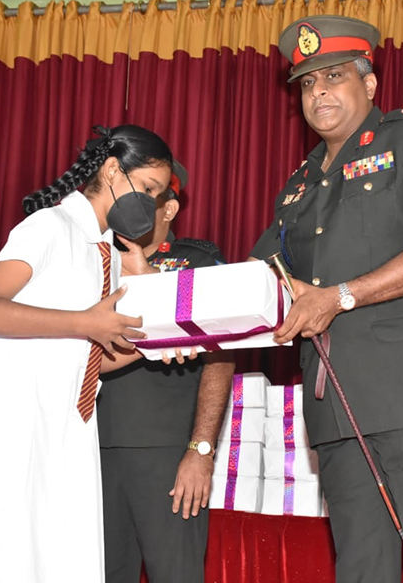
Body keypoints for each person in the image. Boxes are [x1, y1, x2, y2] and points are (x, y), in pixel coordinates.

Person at [250, 16, 403, 582]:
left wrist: (339, 296)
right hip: (334, 406)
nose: (319, 92)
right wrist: (183, 316)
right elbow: (263, 280)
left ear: (370, 83)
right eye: (307, 83)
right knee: (362, 569)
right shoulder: (298, 183)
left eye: (333, 76)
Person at [0, 124, 175, 583]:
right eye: (149, 188)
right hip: (15, 416)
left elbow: (92, 355)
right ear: (113, 170)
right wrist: (85, 322)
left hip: (67, 421)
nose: (151, 204)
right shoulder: (48, 226)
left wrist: (159, 344)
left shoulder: (104, 252)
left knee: (51, 557)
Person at [98, 161, 235, 583]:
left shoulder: (196, 261)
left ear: (169, 208)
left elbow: (221, 356)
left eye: (148, 196)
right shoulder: (96, 261)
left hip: (165, 454)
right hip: (92, 449)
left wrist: (200, 451)